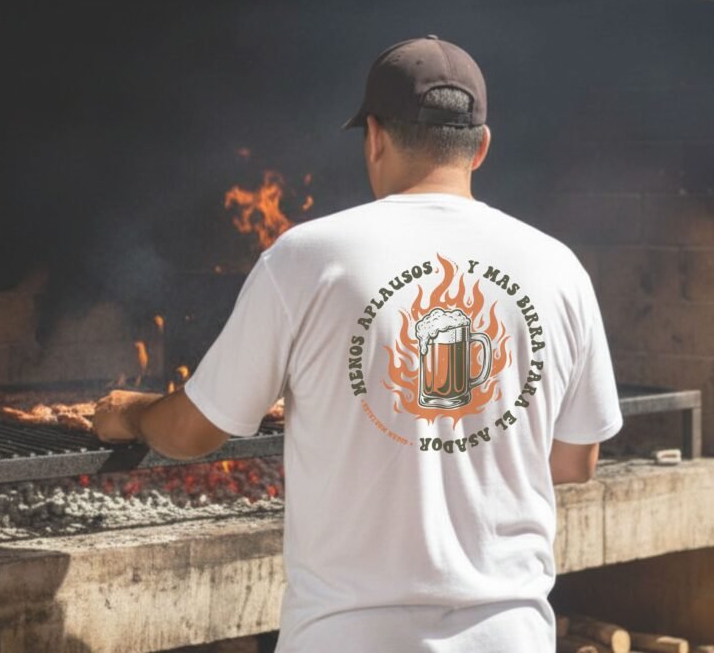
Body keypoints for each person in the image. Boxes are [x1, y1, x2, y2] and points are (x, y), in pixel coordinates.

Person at [93, 35, 624, 652]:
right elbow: (572, 462)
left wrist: (131, 415)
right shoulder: (559, 268)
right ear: (480, 148)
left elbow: (192, 433)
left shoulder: (309, 257)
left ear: (373, 136)